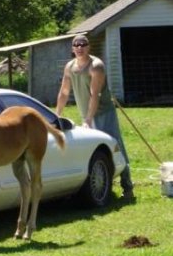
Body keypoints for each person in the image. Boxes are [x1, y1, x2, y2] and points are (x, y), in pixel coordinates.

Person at [55, 34, 134, 199]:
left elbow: (95, 95)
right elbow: (64, 92)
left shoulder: (96, 66)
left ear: (88, 47)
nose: (79, 47)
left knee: (114, 146)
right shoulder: (70, 67)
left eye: (83, 44)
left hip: (103, 113)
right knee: (92, 150)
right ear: (72, 48)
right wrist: (57, 115)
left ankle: (127, 186)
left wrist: (88, 119)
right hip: (86, 113)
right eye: (76, 45)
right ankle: (101, 185)